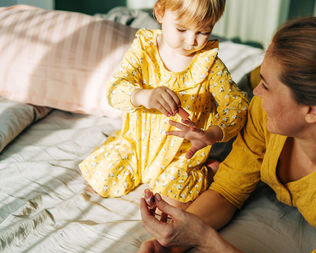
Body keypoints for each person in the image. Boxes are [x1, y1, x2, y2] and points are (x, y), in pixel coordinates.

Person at [133, 16, 316, 253]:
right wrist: (172, 245)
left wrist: (206, 240)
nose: (257, 94)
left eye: (267, 85)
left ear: (311, 111)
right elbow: (228, 191)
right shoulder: (265, 113)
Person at [79, 0, 248, 209]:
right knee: (99, 180)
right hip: (137, 144)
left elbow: (237, 104)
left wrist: (212, 134)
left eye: (203, 32)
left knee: (173, 204)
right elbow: (115, 88)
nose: (191, 40)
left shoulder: (209, 64)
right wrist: (143, 96)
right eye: (182, 29)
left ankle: (209, 170)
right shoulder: (144, 48)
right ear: (160, 13)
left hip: (180, 154)